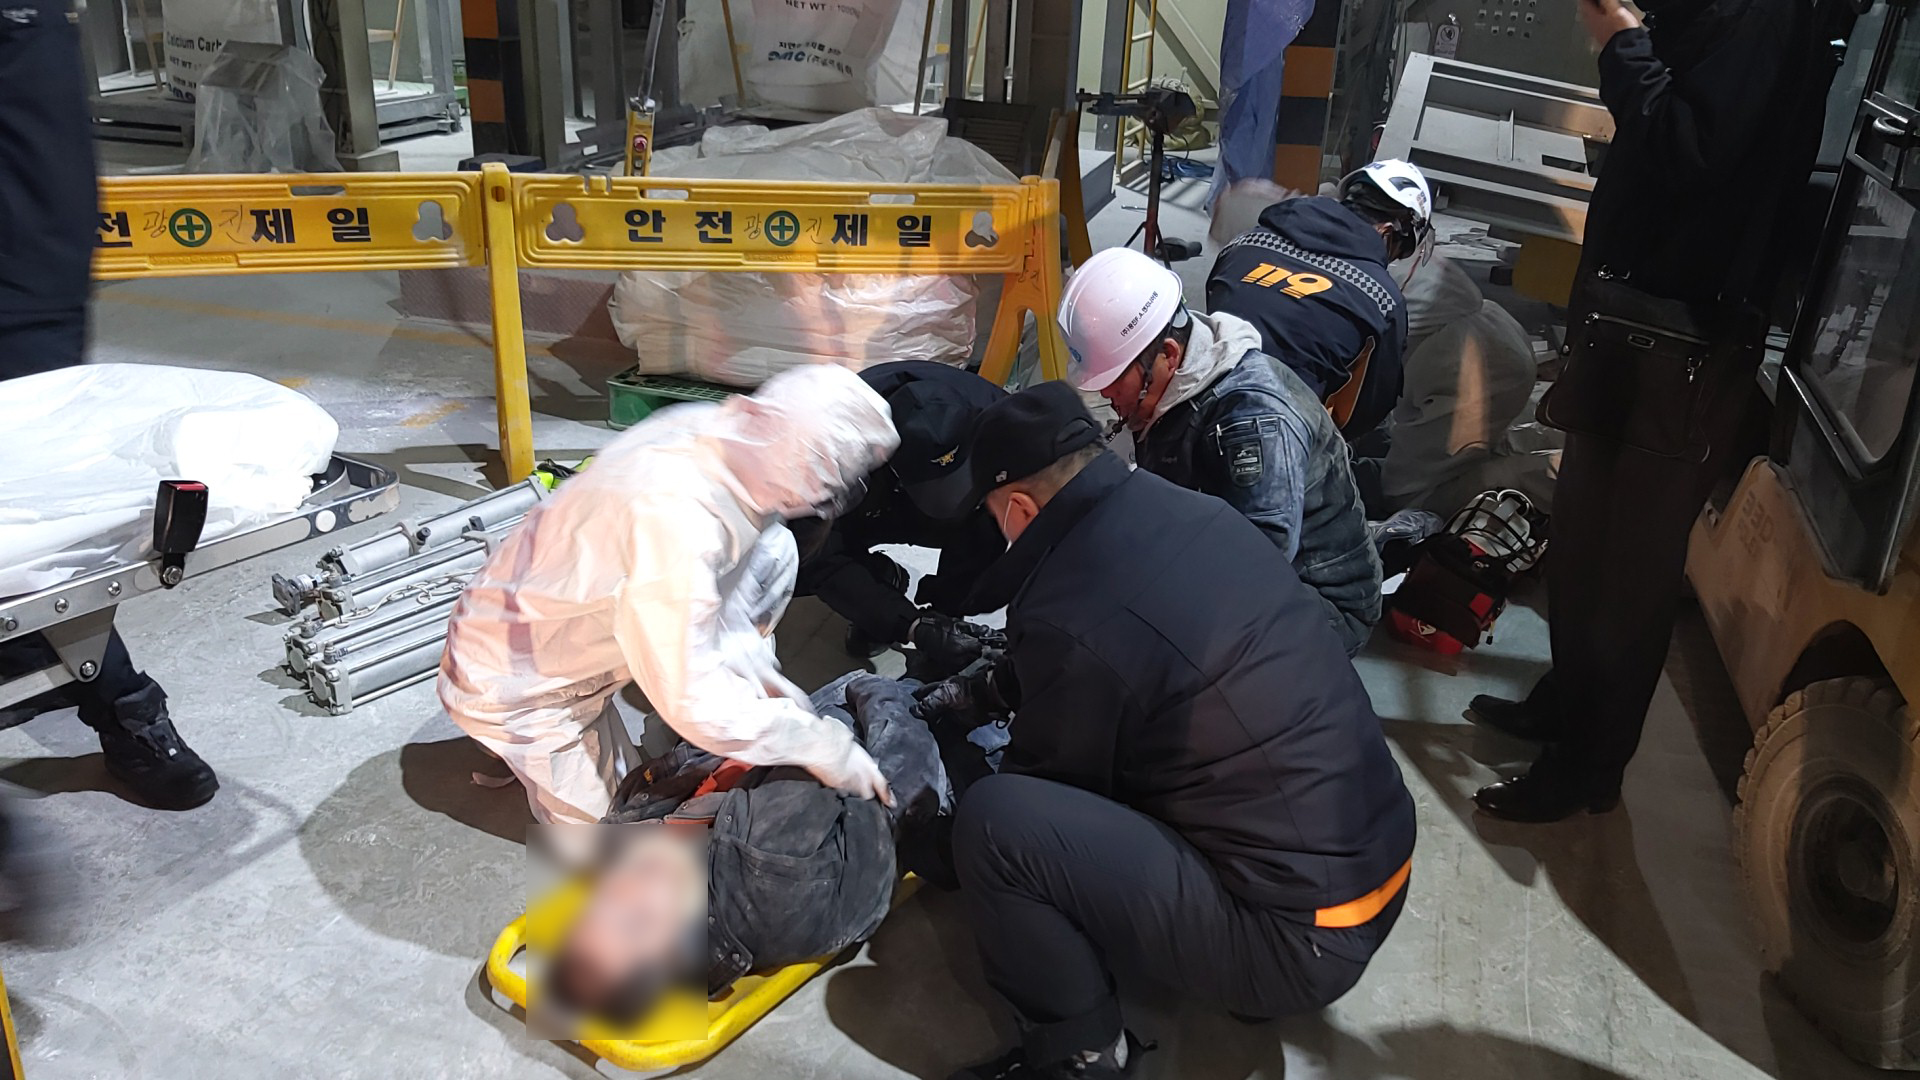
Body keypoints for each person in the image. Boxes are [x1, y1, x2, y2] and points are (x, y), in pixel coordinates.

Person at [918, 383, 1416, 1080]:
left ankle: (1082, 1055)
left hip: (1300, 942)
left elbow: (1051, 785)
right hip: (1380, 864)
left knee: (997, 825)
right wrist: (999, 688)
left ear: (1021, 508)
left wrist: (939, 831)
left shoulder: (1065, 607)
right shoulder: (1196, 513)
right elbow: (1130, 649)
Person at [1469, 0, 1835, 822]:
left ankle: (1590, 767)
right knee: (1585, 537)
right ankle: (1568, 706)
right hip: (1637, 314)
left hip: (1683, 337)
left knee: (1626, 567)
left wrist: (1625, 44)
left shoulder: (1767, 17)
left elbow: (1692, 148)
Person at [437, 365, 901, 825]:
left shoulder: (722, 436)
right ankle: (509, 739)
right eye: (817, 481)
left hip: (568, 624)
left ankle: (684, 733)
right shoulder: (672, 518)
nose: (814, 499)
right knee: (616, 837)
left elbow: (724, 611)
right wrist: (818, 746)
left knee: (775, 548)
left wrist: (767, 688)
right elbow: (691, 695)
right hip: (519, 682)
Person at [0, 0, 218, 809]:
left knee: (35, 500)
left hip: (27, 274)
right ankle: (94, 686)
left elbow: (44, 147)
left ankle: (117, 702)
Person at [551, 673, 969, 1019]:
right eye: (636, 920)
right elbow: (905, 787)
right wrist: (871, 689)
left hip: (810, 712)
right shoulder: (776, 878)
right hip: (915, 718)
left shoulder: (635, 836)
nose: (624, 889)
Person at [1059, 246, 1382, 657]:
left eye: (1115, 377)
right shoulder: (1174, 387)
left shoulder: (1252, 420)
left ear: (1168, 355)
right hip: (1226, 562)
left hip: (1317, 604)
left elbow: (1256, 566)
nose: (1105, 391)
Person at [791, 361, 1008, 669]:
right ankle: (881, 579)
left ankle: (946, 620)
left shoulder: (1001, 420)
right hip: (870, 488)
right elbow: (819, 558)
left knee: (988, 520)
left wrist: (947, 617)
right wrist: (909, 625)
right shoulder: (828, 448)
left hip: (947, 469)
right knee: (794, 562)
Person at [1207, 159, 1433, 443]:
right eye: (1399, 251)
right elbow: (1364, 411)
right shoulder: (1381, 299)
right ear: (1387, 233)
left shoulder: (1242, 245)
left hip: (1196, 401)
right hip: (1276, 437)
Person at [1375, 255, 1543, 518]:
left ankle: (1533, 483)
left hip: (1463, 355)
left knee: (1410, 499)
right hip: (1485, 327)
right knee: (1481, 447)